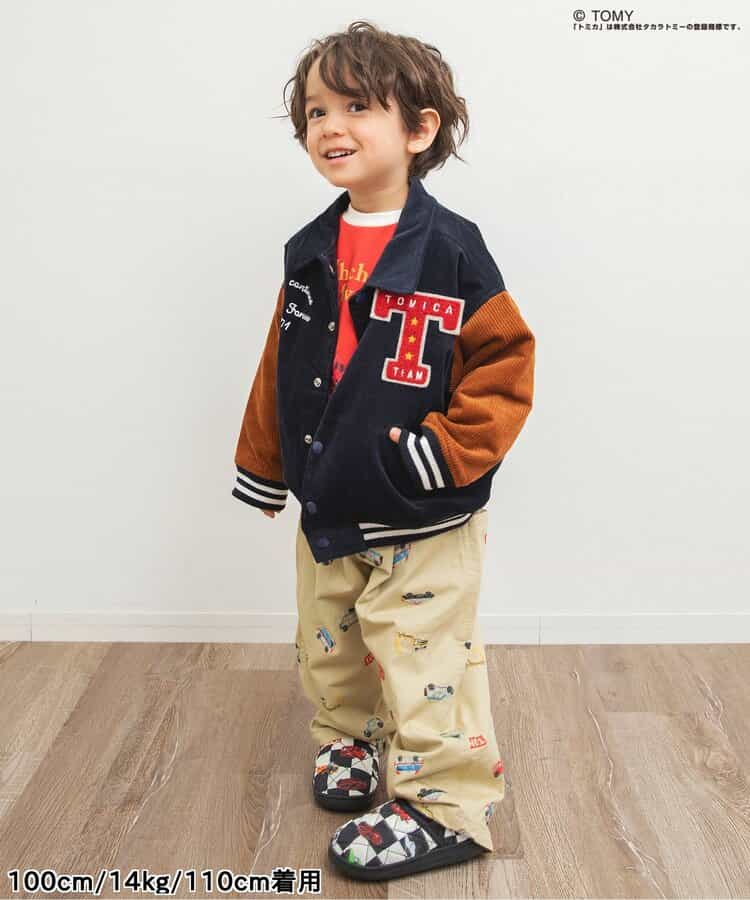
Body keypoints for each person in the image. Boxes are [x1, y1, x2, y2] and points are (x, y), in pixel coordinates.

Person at [232, 20, 535, 881]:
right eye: (316, 111)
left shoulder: (451, 249)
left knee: (423, 656)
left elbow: (506, 362)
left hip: (422, 506)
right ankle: (351, 740)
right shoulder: (309, 250)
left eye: (358, 106)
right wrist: (264, 463)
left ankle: (447, 805)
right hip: (329, 494)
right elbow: (281, 362)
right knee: (328, 640)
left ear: (419, 129)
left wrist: (449, 451)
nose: (330, 125)